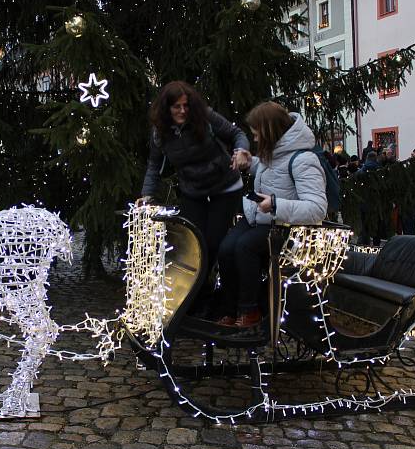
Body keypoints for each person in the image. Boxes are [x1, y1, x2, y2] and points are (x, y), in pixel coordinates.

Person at [139, 81, 250, 313]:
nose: (182, 111)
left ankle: (213, 300)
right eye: (176, 107)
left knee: (211, 243)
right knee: (191, 245)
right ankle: (192, 300)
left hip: (224, 186)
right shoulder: (160, 132)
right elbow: (154, 164)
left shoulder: (206, 118)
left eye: (186, 106)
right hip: (193, 190)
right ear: (166, 108)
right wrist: (147, 195)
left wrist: (240, 152)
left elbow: (236, 133)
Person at [216, 102, 327, 328]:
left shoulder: (304, 160)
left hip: (285, 228)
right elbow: (275, 172)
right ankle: (229, 309)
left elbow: (317, 208)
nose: (255, 140)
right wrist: (251, 163)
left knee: (245, 246)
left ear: (269, 133)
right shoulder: (276, 152)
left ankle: (250, 311)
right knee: (226, 248)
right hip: (261, 218)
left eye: (257, 135)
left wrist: (276, 205)